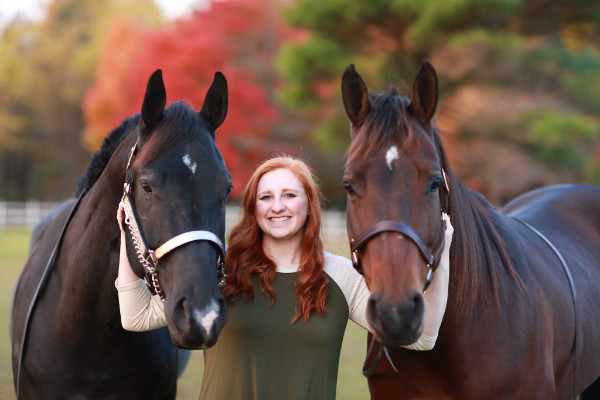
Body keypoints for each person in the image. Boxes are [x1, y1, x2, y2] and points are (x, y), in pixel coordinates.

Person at [115, 155, 453, 400]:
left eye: (289, 195)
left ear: (308, 205)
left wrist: (445, 250)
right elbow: (135, 316)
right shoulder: (221, 271)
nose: (278, 206)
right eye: (266, 197)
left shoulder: (340, 276)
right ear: (253, 208)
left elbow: (421, 337)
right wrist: (128, 228)